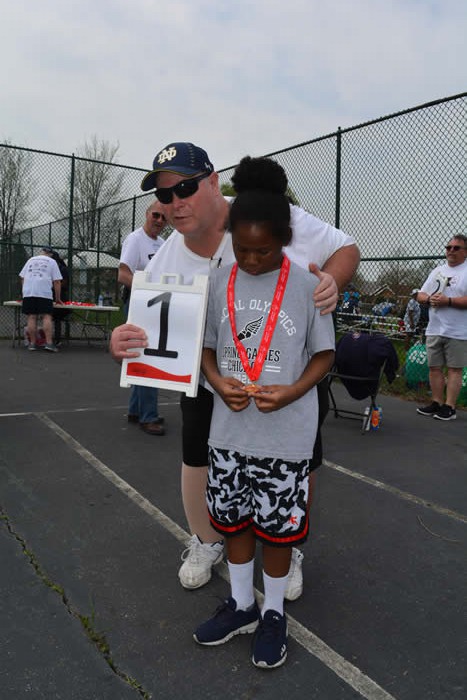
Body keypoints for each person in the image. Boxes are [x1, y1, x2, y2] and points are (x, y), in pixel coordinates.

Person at [110, 142, 360, 597]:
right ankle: (207, 541)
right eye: (164, 194)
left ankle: (288, 545)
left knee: (299, 458)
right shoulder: (165, 256)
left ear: (212, 181)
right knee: (197, 452)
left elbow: (345, 248)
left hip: (286, 374)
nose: (175, 202)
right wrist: (122, 342)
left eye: (185, 187)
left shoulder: (261, 209)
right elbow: (146, 333)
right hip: (213, 375)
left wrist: (332, 283)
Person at [192, 158, 335, 668]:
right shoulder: (220, 281)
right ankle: (241, 605)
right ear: (230, 238)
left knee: (279, 531)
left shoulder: (307, 286)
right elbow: (207, 348)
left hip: (285, 439)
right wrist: (216, 381)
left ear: (285, 240)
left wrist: (293, 391)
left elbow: (324, 355)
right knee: (234, 524)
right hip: (229, 434)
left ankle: (273, 612)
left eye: (264, 251)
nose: (252, 260)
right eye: (243, 249)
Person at [118, 201, 167, 436]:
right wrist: (147, 291)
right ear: (147, 214)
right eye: (155, 215)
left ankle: (136, 410)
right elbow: (123, 274)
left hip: (156, 304)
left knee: (143, 355)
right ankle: (149, 417)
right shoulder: (135, 239)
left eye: (164, 218)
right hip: (140, 303)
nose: (159, 220)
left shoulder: (163, 244)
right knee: (150, 357)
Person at [416, 234, 467, 421]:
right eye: (448, 247)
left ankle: (449, 407)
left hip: (458, 330)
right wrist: (429, 299)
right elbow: (421, 294)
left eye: (456, 248)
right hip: (435, 328)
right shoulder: (437, 271)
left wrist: (449, 301)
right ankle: (436, 402)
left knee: (454, 369)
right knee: (434, 368)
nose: (451, 250)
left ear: (465, 252)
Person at [19, 246, 63, 352]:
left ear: (41, 252)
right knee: (46, 316)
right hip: (44, 292)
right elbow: (57, 281)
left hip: (29, 292)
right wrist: (58, 298)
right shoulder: (52, 262)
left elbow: (22, 277)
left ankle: (32, 344)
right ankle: (49, 343)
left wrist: (25, 292)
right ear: (50, 254)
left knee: (31, 317)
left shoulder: (30, 260)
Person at [50, 250, 71, 346]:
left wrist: (54, 285)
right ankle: (47, 338)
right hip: (49, 296)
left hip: (61, 297)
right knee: (48, 316)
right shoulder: (49, 268)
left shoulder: (62, 269)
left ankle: (57, 339)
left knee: (57, 317)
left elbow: (64, 283)